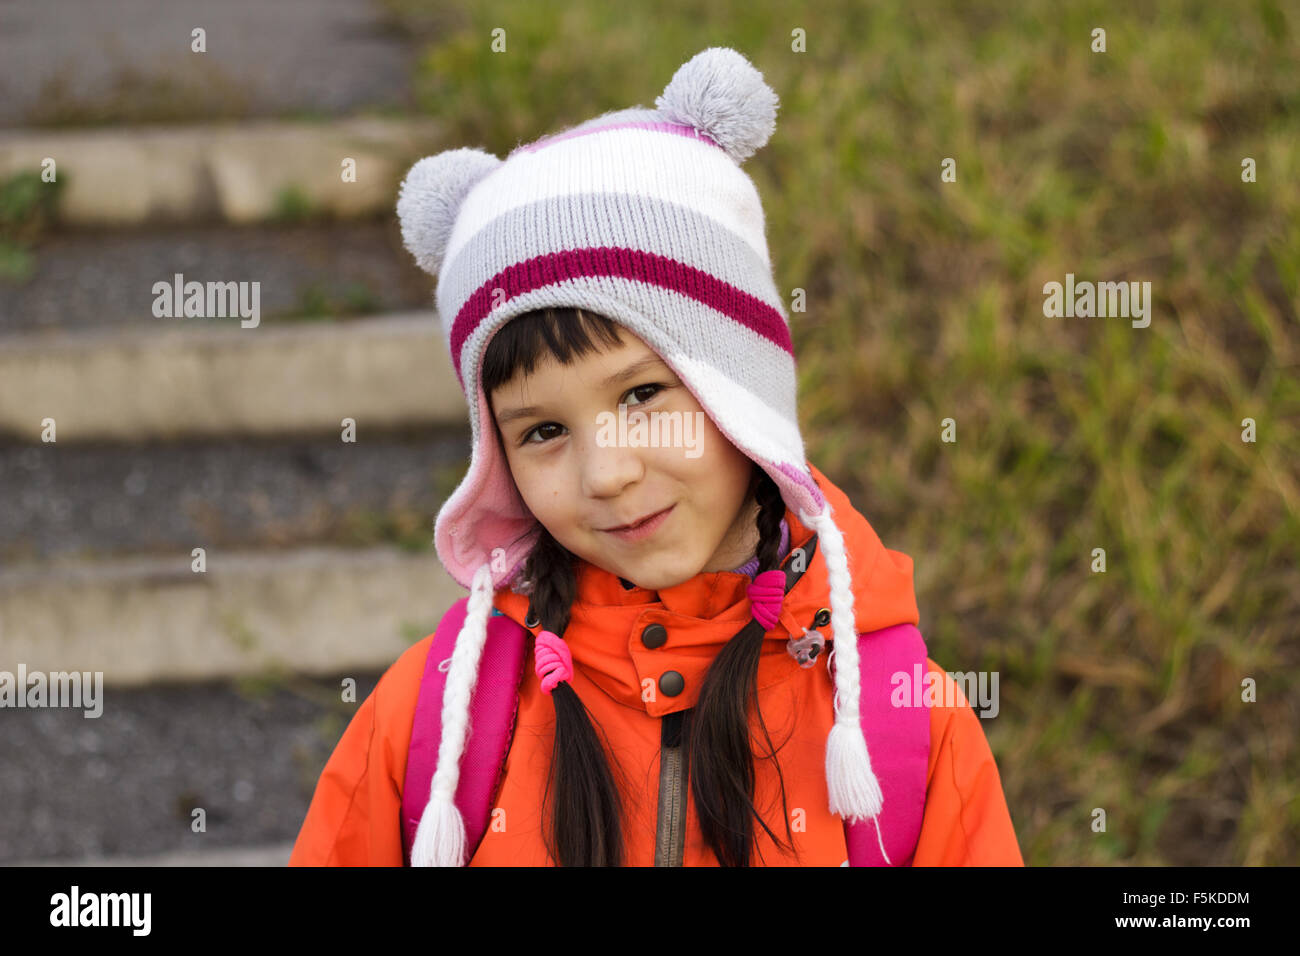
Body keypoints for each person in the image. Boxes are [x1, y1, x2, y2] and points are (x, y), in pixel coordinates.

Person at [289, 46, 1022, 867]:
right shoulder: (439, 725)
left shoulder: (897, 719)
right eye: (542, 432)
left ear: (741, 392)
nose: (607, 474)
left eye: (643, 396)